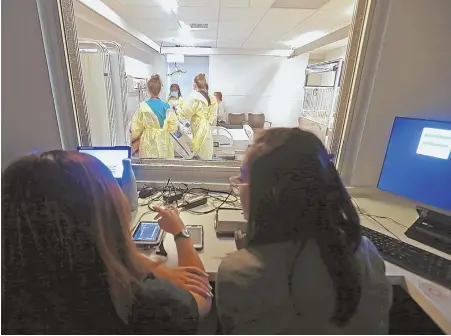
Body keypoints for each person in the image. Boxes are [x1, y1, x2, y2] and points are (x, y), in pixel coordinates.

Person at [2, 151, 212, 334]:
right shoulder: (140, 300)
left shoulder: (17, 292)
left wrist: (148, 266)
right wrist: (180, 231)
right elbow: (201, 296)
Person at [216, 128, 392, 334]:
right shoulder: (366, 253)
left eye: (243, 177)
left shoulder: (237, 272)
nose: (239, 185)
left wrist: (246, 256)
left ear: (270, 192)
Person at [131, 74, 178, 158]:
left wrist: (135, 138)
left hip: (148, 142)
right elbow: (173, 126)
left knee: (149, 167)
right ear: (160, 91)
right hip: (164, 140)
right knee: (163, 166)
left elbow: (135, 128)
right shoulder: (167, 106)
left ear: (148, 91)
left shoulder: (142, 106)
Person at [179, 73, 217, 160]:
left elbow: (185, 113)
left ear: (195, 84)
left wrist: (177, 109)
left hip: (198, 128)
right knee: (206, 152)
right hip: (207, 128)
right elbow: (213, 116)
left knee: (199, 152)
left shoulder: (194, 97)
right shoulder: (212, 99)